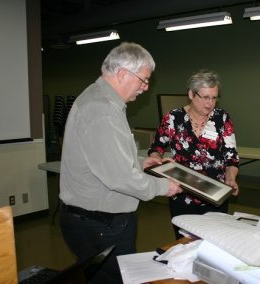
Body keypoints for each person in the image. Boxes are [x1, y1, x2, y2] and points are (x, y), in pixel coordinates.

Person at [58, 42, 182, 284]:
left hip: (92, 219)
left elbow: (104, 154)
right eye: (143, 80)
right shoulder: (102, 109)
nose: (145, 88)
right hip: (100, 223)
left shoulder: (100, 99)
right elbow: (119, 178)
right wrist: (163, 187)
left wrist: (141, 162)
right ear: (123, 73)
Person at [148, 69, 240, 239]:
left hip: (215, 194)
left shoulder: (222, 118)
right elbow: (156, 148)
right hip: (181, 194)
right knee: (184, 243)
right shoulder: (173, 118)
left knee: (214, 243)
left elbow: (231, 156)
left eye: (214, 97)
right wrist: (157, 162)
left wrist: (231, 177)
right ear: (191, 94)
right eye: (205, 97)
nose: (210, 103)